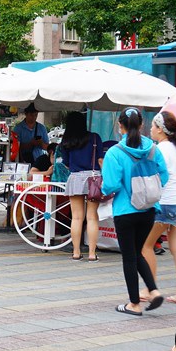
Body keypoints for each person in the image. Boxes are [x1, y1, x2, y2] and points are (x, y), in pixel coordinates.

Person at [101, 107, 168, 316]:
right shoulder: (153, 149)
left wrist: (106, 189)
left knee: (129, 257)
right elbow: (164, 176)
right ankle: (154, 290)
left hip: (125, 210)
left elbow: (110, 185)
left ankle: (134, 304)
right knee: (137, 253)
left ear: (120, 126)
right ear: (141, 125)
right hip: (148, 210)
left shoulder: (114, 153)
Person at [141, 111, 176, 307]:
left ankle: (149, 288)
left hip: (167, 203)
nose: (151, 130)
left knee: (146, 245)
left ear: (160, 129)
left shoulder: (159, 149)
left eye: (153, 126)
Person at [60, 112, 104, 262]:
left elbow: (65, 163)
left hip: (75, 177)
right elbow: (100, 160)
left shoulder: (66, 141)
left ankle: (76, 252)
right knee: (92, 217)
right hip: (93, 178)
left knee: (77, 217)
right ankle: (92, 254)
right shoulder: (94, 137)